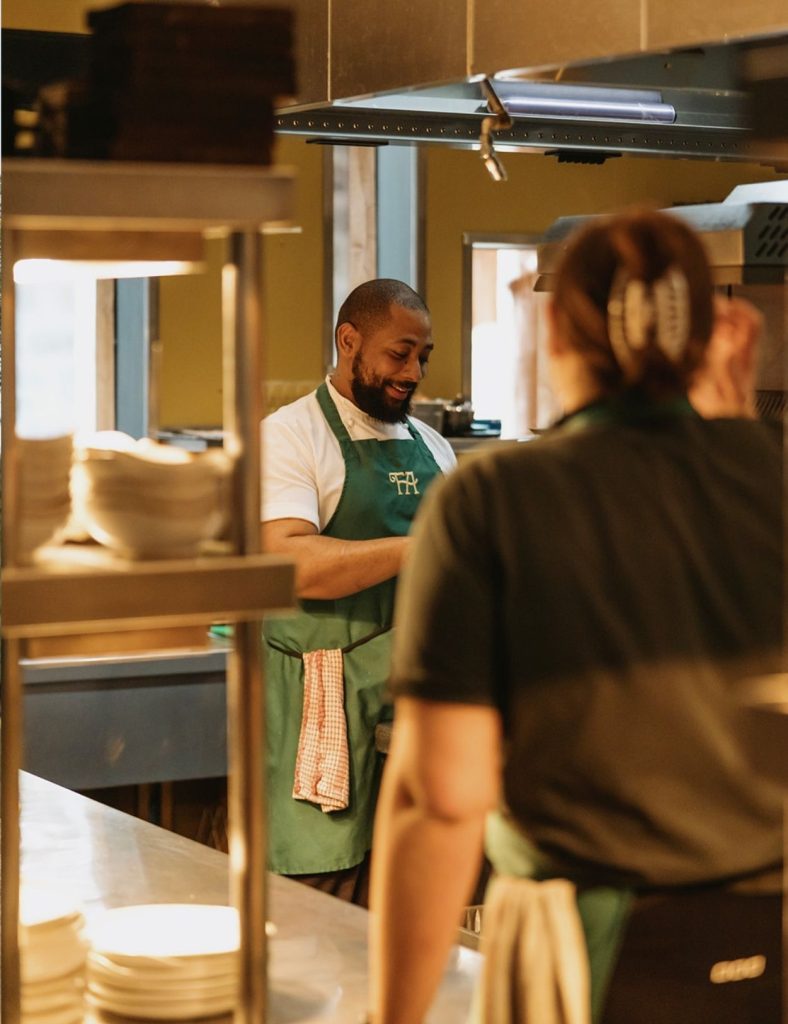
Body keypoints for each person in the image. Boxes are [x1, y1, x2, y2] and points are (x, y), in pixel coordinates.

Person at [369, 211, 783, 1023]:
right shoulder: (773, 473)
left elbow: (442, 797)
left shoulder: (494, 500)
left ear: (555, 326)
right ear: (710, 333)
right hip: (771, 939)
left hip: (590, 948)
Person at [261, 278, 456, 906]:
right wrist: (422, 547)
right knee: (320, 896)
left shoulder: (434, 448)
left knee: (406, 895)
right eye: (399, 354)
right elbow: (291, 563)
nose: (413, 373)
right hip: (324, 701)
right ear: (349, 341)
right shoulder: (291, 436)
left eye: (423, 357)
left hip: (412, 709)